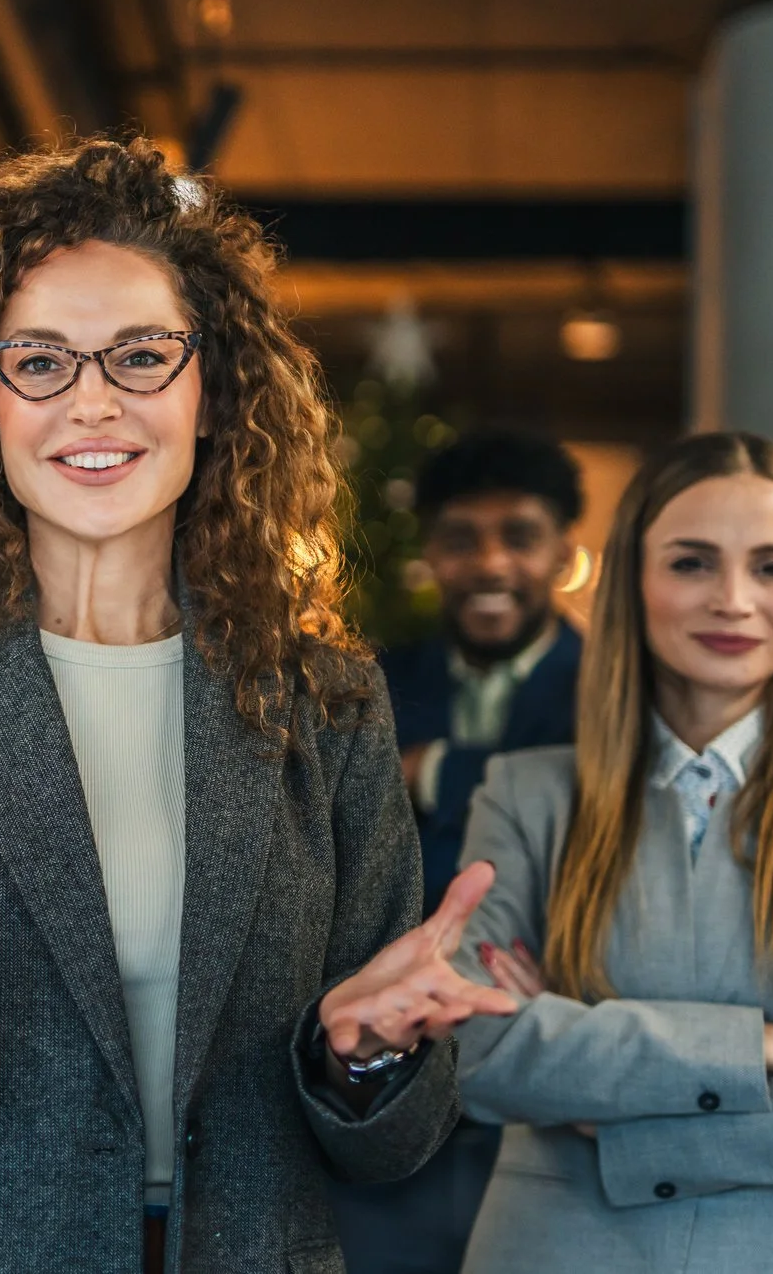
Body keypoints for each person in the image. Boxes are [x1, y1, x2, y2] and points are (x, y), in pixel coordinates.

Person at [0, 138, 517, 1274]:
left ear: (212, 384)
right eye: (39, 361)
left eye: (141, 355)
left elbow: (393, 1142)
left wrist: (367, 1056)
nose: (93, 402)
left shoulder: (322, 697)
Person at [453, 430, 773, 1274]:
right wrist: (767, 1044)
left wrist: (619, 1118)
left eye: (771, 567)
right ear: (632, 583)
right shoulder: (526, 795)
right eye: (691, 563)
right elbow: (475, 1056)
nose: (733, 599)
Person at [326, 427, 585, 1274]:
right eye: (460, 538)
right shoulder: (369, 681)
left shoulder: (612, 687)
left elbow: (598, 798)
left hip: (547, 1079)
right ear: (430, 551)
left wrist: (430, 769)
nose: (490, 564)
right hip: (393, 1087)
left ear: (562, 550)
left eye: (518, 536)